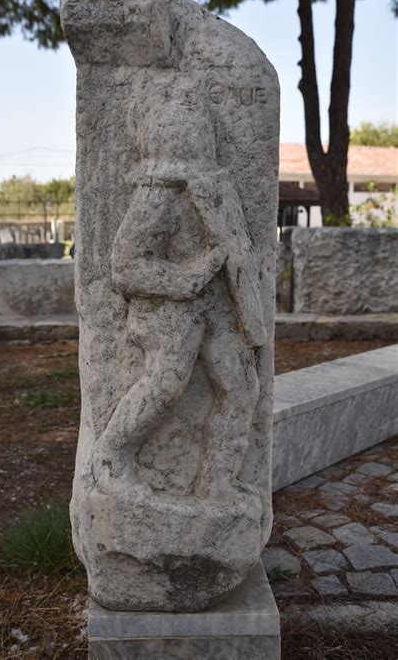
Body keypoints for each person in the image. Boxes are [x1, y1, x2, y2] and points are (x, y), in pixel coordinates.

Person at [92, 103, 265, 499]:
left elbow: (235, 248)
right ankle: (112, 457)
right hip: (169, 311)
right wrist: (185, 278)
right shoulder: (157, 195)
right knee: (166, 384)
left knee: (241, 388)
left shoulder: (213, 188)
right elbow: (126, 267)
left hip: (217, 308)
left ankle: (218, 482)